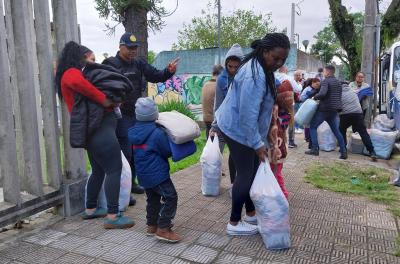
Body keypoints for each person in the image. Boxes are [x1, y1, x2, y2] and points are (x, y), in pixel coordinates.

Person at [212, 33, 291, 235]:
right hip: (237, 129)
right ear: (265, 52)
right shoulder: (254, 75)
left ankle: (251, 213)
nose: (279, 63)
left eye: (283, 59)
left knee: (253, 171)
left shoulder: (261, 66)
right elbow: (247, 116)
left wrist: (260, 141)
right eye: (275, 58)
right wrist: (257, 144)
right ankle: (234, 223)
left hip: (242, 127)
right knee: (245, 175)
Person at [55, 41, 135, 229]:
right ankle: (113, 216)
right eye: (90, 59)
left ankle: (91, 209)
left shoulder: (70, 74)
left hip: (94, 132)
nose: (93, 64)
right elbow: (74, 80)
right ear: (79, 57)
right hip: (100, 131)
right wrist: (105, 100)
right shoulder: (71, 72)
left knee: (99, 170)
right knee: (114, 169)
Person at [103, 32, 179, 201]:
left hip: (137, 116)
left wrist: (168, 71)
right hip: (120, 117)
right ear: (120, 46)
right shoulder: (110, 64)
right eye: (129, 48)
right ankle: (124, 190)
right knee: (125, 152)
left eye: (135, 48)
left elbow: (155, 76)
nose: (132, 51)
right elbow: (101, 86)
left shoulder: (139, 63)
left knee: (138, 150)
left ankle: (133, 182)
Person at [128, 97, 181, 242]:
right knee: (171, 197)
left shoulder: (133, 132)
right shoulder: (157, 133)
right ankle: (163, 228)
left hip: (143, 175)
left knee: (153, 199)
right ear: (154, 114)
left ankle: (152, 226)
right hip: (158, 175)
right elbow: (167, 151)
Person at [214, 43, 243, 187]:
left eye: (236, 66)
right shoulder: (221, 79)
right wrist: (214, 126)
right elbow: (218, 104)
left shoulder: (246, 78)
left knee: (239, 155)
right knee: (229, 153)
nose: (232, 70)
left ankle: (240, 183)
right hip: (226, 123)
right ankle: (233, 184)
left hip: (242, 122)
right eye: (230, 66)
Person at [305, 65, 348, 159]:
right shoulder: (338, 82)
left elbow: (322, 93)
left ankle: (314, 149)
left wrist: (314, 97)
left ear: (328, 72)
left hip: (324, 109)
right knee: (336, 131)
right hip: (334, 110)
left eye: (324, 72)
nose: (323, 73)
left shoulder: (326, 81)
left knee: (313, 126)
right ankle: (344, 152)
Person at [339, 82, 377, 161]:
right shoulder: (353, 92)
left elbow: (337, 106)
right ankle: (372, 152)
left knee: (341, 129)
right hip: (358, 114)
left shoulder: (339, 93)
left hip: (346, 115)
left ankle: (343, 149)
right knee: (363, 133)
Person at [202, 64, 223, 139]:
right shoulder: (218, 85)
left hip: (206, 118)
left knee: (210, 142)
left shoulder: (205, 85)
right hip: (214, 121)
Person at [300, 78, 321, 148]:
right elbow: (301, 98)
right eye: (317, 84)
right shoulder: (307, 89)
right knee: (307, 123)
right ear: (313, 83)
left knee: (311, 124)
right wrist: (308, 97)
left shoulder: (317, 90)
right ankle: (307, 138)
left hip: (313, 108)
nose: (318, 86)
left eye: (319, 85)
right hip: (307, 108)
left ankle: (310, 139)